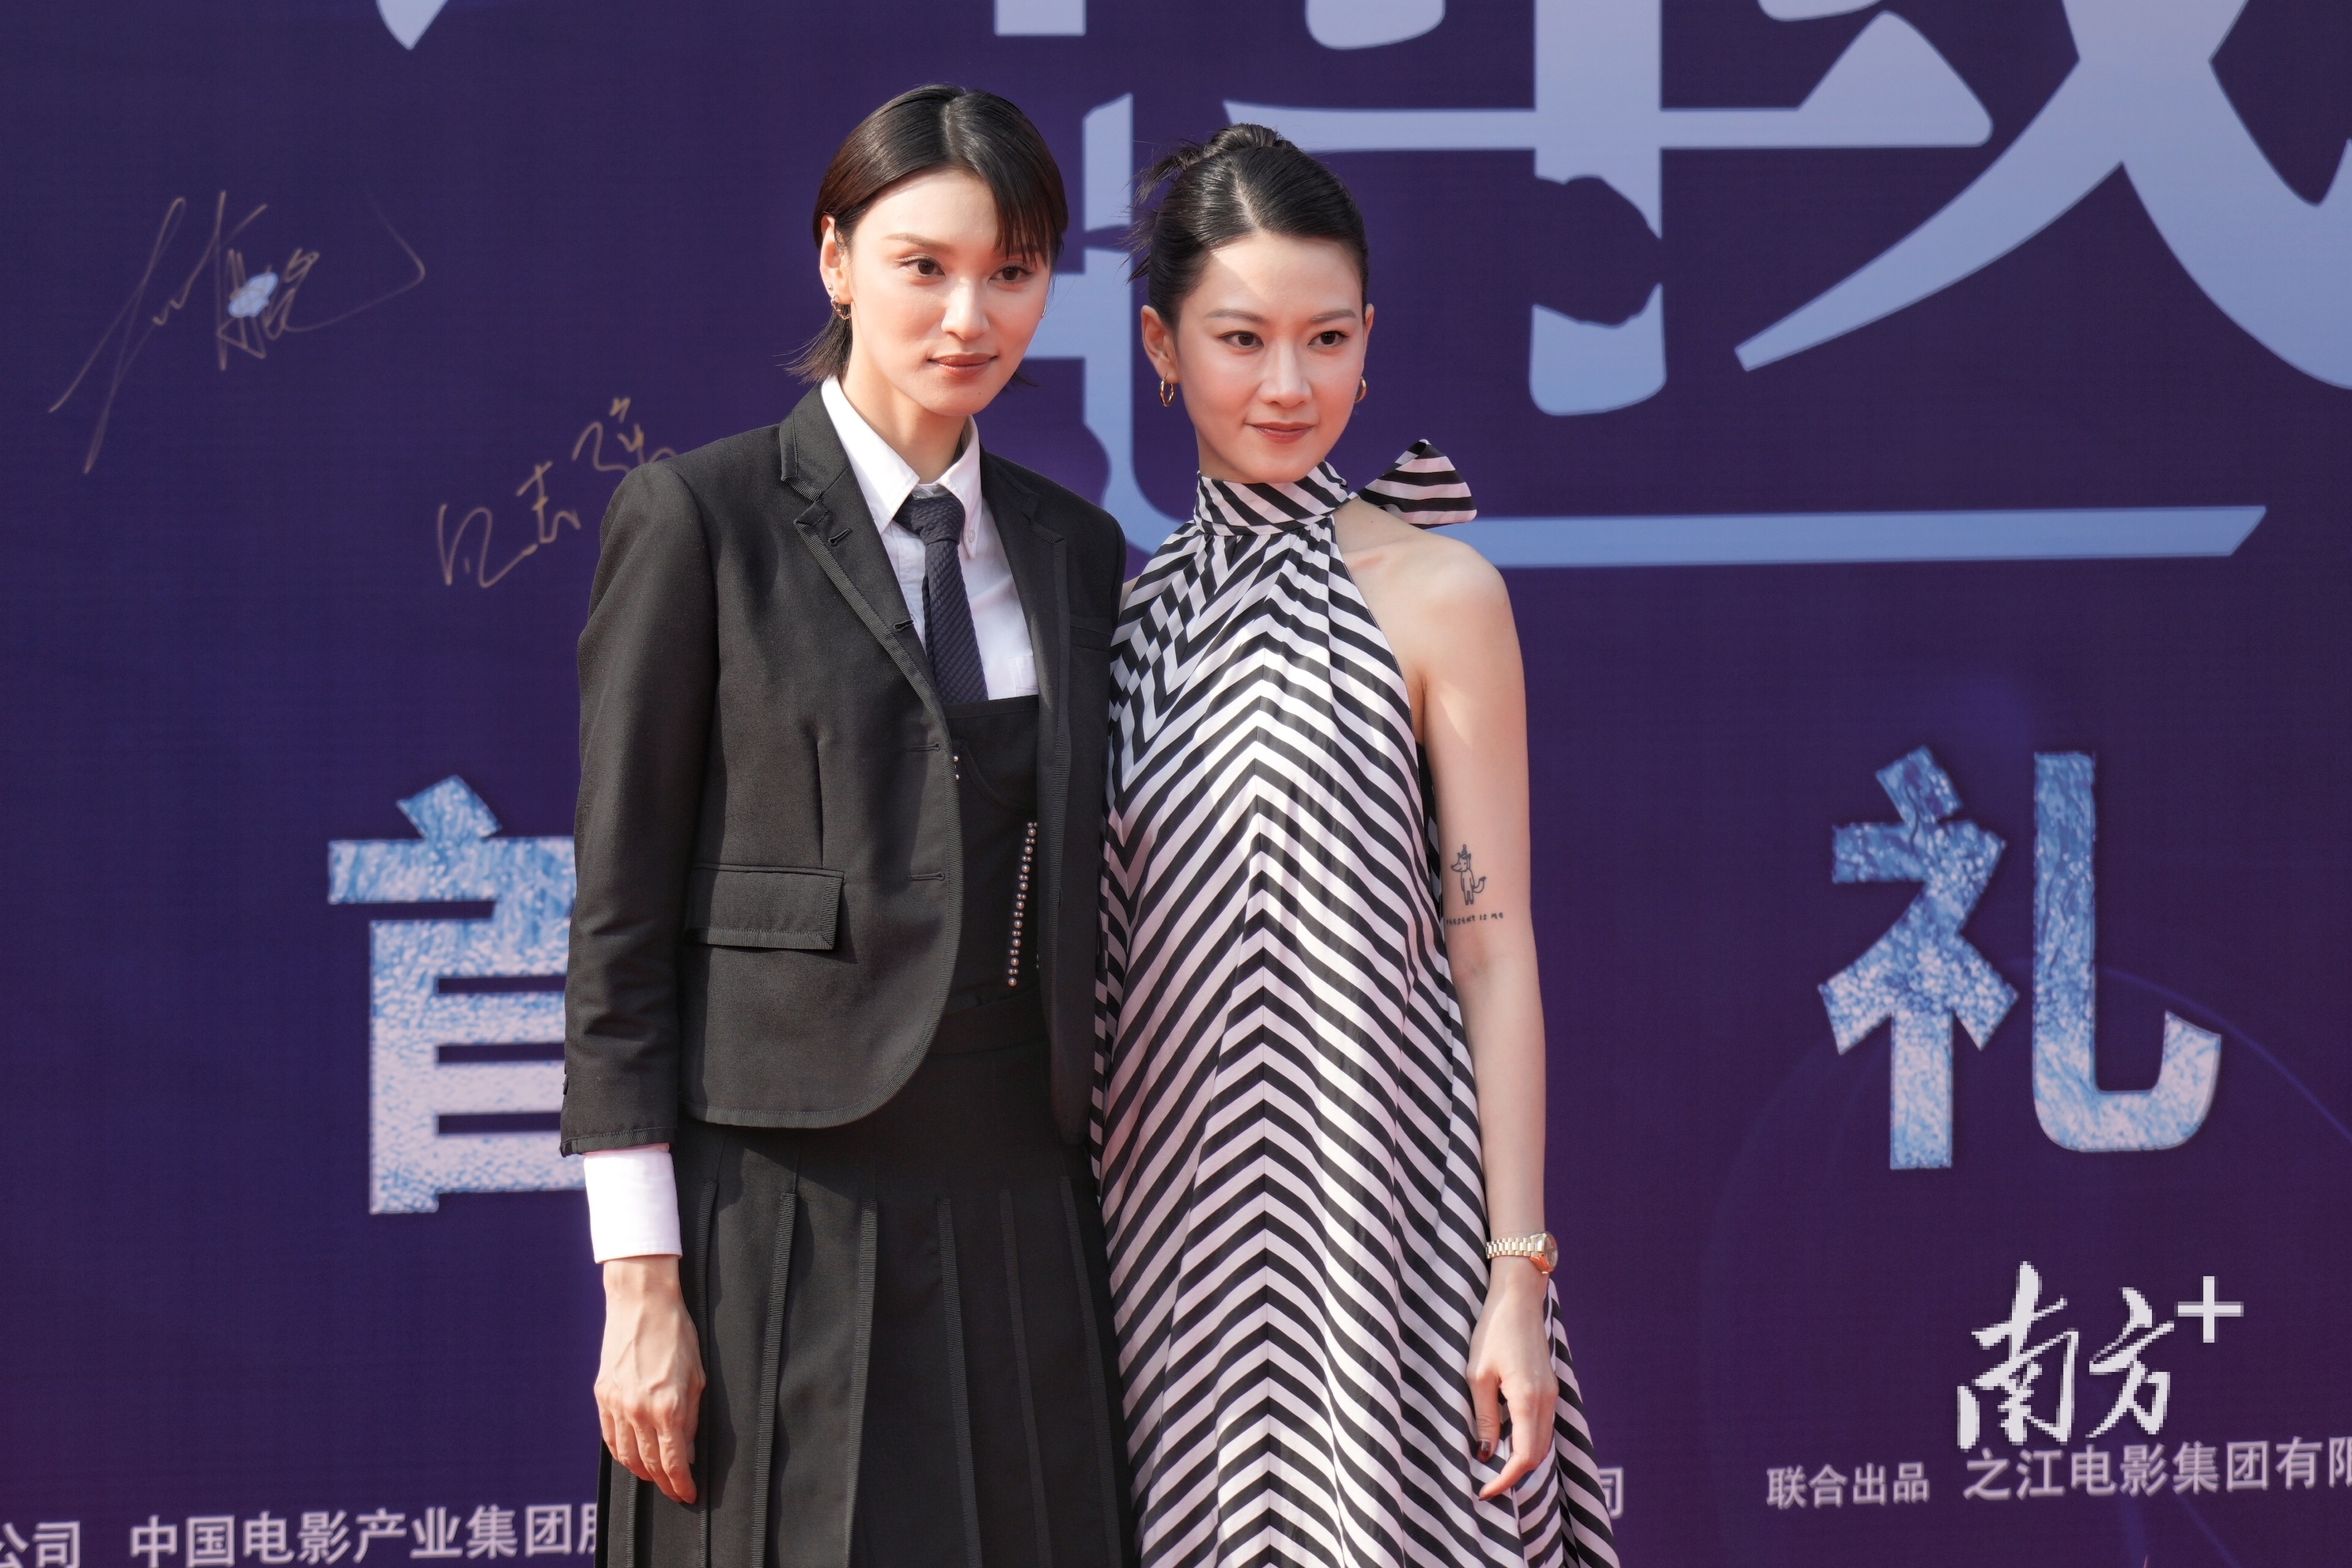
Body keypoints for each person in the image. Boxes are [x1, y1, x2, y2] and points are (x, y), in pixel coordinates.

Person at [561, 84, 1134, 1568]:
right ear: (834, 259)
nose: (969, 316)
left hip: (1020, 1200)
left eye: (1012, 271)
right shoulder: (701, 519)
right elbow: (618, 922)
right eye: (921, 265)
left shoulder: (1076, 550)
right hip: (779, 1213)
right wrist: (640, 1283)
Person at [1094, 125, 1620, 1568]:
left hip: (1389, 1228)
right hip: (1158, 1244)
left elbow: (1492, 951)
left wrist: (1514, 1275)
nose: (1287, 384)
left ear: (1368, 342)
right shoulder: (1113, 623)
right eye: (1240, 339)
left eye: (1325, 339)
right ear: (1159, 346)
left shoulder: (1439, 592)